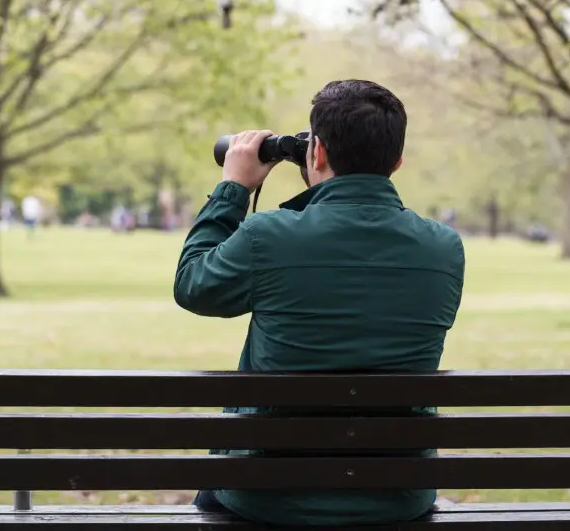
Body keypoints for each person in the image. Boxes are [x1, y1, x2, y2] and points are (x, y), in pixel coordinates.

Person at [174, 80, 465, 527]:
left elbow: (193, 285)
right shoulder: (444, 248)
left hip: (269, 498)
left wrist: (233, 187)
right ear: (398, 161)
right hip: (396, 496)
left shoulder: (268, 236)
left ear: (319, 153)